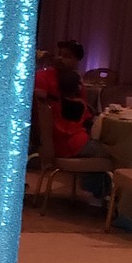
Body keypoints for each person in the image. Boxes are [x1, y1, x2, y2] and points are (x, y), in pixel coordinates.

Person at [50, 65, 109, 205]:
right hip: (76, 145)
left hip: (58, 146)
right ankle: (104, 193)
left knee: (97, 154)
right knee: (110, 152)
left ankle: (94, 187)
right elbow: (90, 119)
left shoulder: (52, 104)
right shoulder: (79, 105)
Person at [35, 38, 85, 102]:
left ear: (76, 62)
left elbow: (83, 104)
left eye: (67, 56)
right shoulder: (42, 76)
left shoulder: (77, 80)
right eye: (59, 54)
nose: (60, 58)